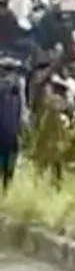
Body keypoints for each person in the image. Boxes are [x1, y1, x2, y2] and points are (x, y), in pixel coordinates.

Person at [0, 57, 24, 189]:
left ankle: (6, 188)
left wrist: (22, 127)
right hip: (5, 130)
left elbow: (22, 109)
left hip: (11, 130)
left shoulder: (18, 88)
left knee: (10, 162)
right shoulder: (11, 86)